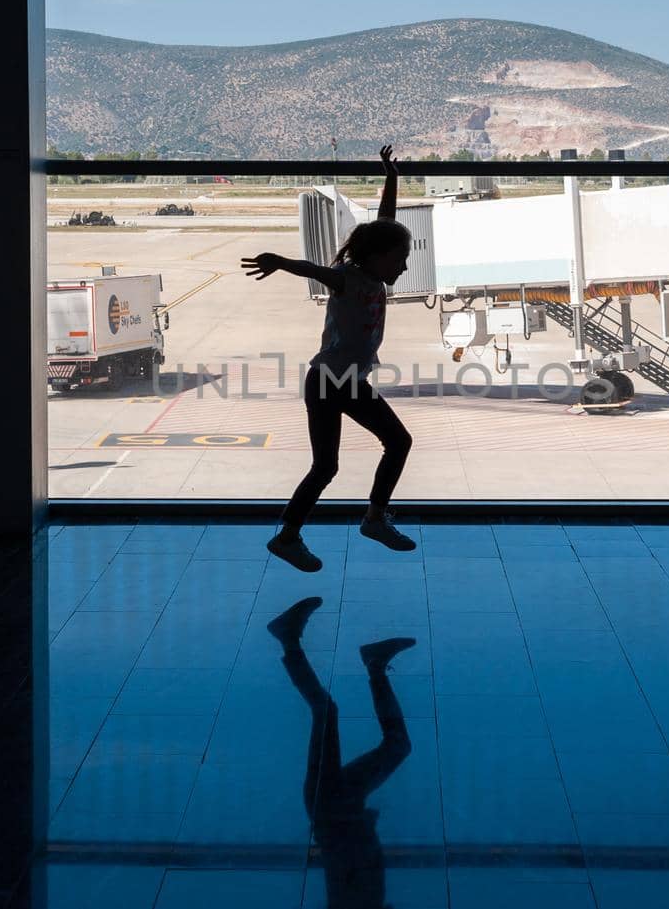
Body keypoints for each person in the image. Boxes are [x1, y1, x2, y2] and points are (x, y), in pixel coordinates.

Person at [241, 144, 416, 572]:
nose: (404, 268)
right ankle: (373, 519)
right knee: (393, 444)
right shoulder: (349, 279)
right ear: (376, 257)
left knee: (327, 465)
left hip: (335, 381)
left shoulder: (373, 275)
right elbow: (315, 270)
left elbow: (385, 223)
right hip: (331, 382)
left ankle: (288, 536)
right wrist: (280, 262)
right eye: (400, 260)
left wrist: (391, 178)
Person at [267, 597, 413, 909]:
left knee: (326, 711)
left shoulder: (357, 902)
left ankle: (289, 637)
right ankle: (375, 664)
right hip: (343, 803)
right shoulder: (368, 899)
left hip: (330, 804)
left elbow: (349, 861)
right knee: (396, 744)